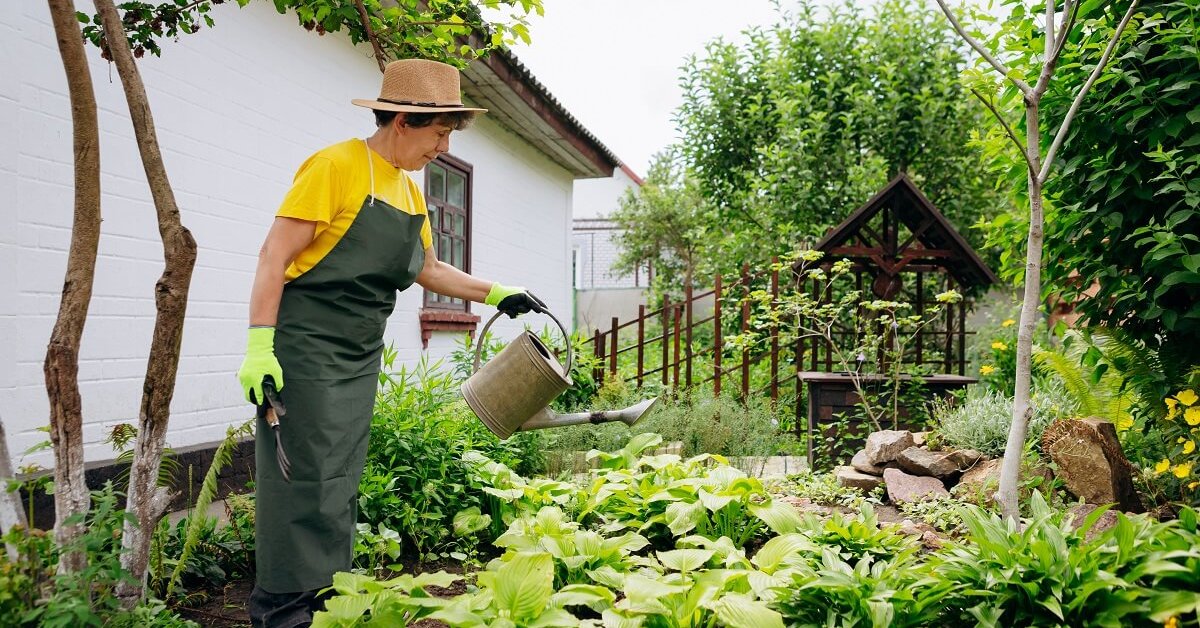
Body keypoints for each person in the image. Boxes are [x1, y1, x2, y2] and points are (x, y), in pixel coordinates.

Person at [236, 58, 545, 628]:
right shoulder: (335, 166)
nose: (442, 147)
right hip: (306, 345)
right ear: (402, 120)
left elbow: (428, 269)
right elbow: (273, 257)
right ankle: (281, 609)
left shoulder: (408, 190)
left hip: (358, 352)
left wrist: (498, 291)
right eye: (439, 132)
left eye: (449, 135)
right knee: (300, 476)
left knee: (339, 477)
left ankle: (328, 598)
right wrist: (260, 346)